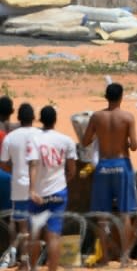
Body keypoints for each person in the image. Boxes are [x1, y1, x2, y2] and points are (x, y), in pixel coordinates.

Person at [82, 83, 137, 265]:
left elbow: (85, 141)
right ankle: (125, 256)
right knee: (125, 213)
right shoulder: (127, 117)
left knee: (102, 214)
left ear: (105, 97)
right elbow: (135, 145)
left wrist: (101, 135)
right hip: (122, 164)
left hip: (104, 165)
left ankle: (104, 256)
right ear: (121, 97)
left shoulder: (97, 117)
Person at [27, 106, 77, 271]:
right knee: (54, 235)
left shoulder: (34, 139)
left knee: (34, 235)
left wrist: (33, 189)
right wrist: (63, 180)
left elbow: (33, 165)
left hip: (39, 194)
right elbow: (72, 170)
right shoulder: (66, 140)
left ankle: (33, 267)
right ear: (55, 120)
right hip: (58, 192)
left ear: (40, 120)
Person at [0, 103, 40, 266]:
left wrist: (14, 169)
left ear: (18, 117)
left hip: (17, 183)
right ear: (33, 118)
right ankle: (34, 260)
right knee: (37, 223)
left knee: (18, 222)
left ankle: (20, 258)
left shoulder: (10, 137)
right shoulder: (41, 135)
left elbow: (3, 163)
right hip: (38, 184)